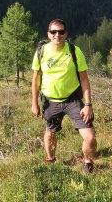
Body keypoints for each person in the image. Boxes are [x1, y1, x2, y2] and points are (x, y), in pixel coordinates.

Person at [31, 18, 97, 173]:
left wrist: (88, 105)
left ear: (66, 34)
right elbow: (35, 79)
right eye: (53, 31)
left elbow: (84, 79)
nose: (57, 35)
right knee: (50, 133)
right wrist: (34, 103)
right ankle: (50, 159)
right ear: (48, 34)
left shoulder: (75, 51)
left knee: (90, 137)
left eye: (61, 31)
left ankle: (87, 161)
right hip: (50, 101)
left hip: (73, 99)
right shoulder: (41, 52)